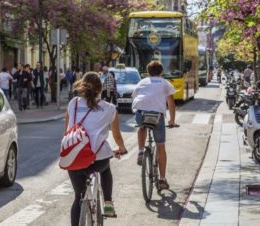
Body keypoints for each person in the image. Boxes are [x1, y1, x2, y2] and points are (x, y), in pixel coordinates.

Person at [63, 72, 127, 226]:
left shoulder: (73, 103)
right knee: (105, 169)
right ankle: (108, 201)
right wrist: (122, 148)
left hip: (74, 159)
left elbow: (67, 130)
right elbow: (117, 136)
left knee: (78, 196)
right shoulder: (110, 108)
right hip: (98, 160)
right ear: (100, 89)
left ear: (82, 87)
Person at [132, 60, 177, 190]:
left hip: (140, 114)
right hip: (157, 117)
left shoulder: (142, 82)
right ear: (161, 72)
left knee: (142, 126)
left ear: (148, 72)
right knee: (161, 147)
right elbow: (171, 104)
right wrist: (172, 120)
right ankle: (162, 179)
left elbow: (135, 96)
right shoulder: (165, 83)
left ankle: (141, 151)